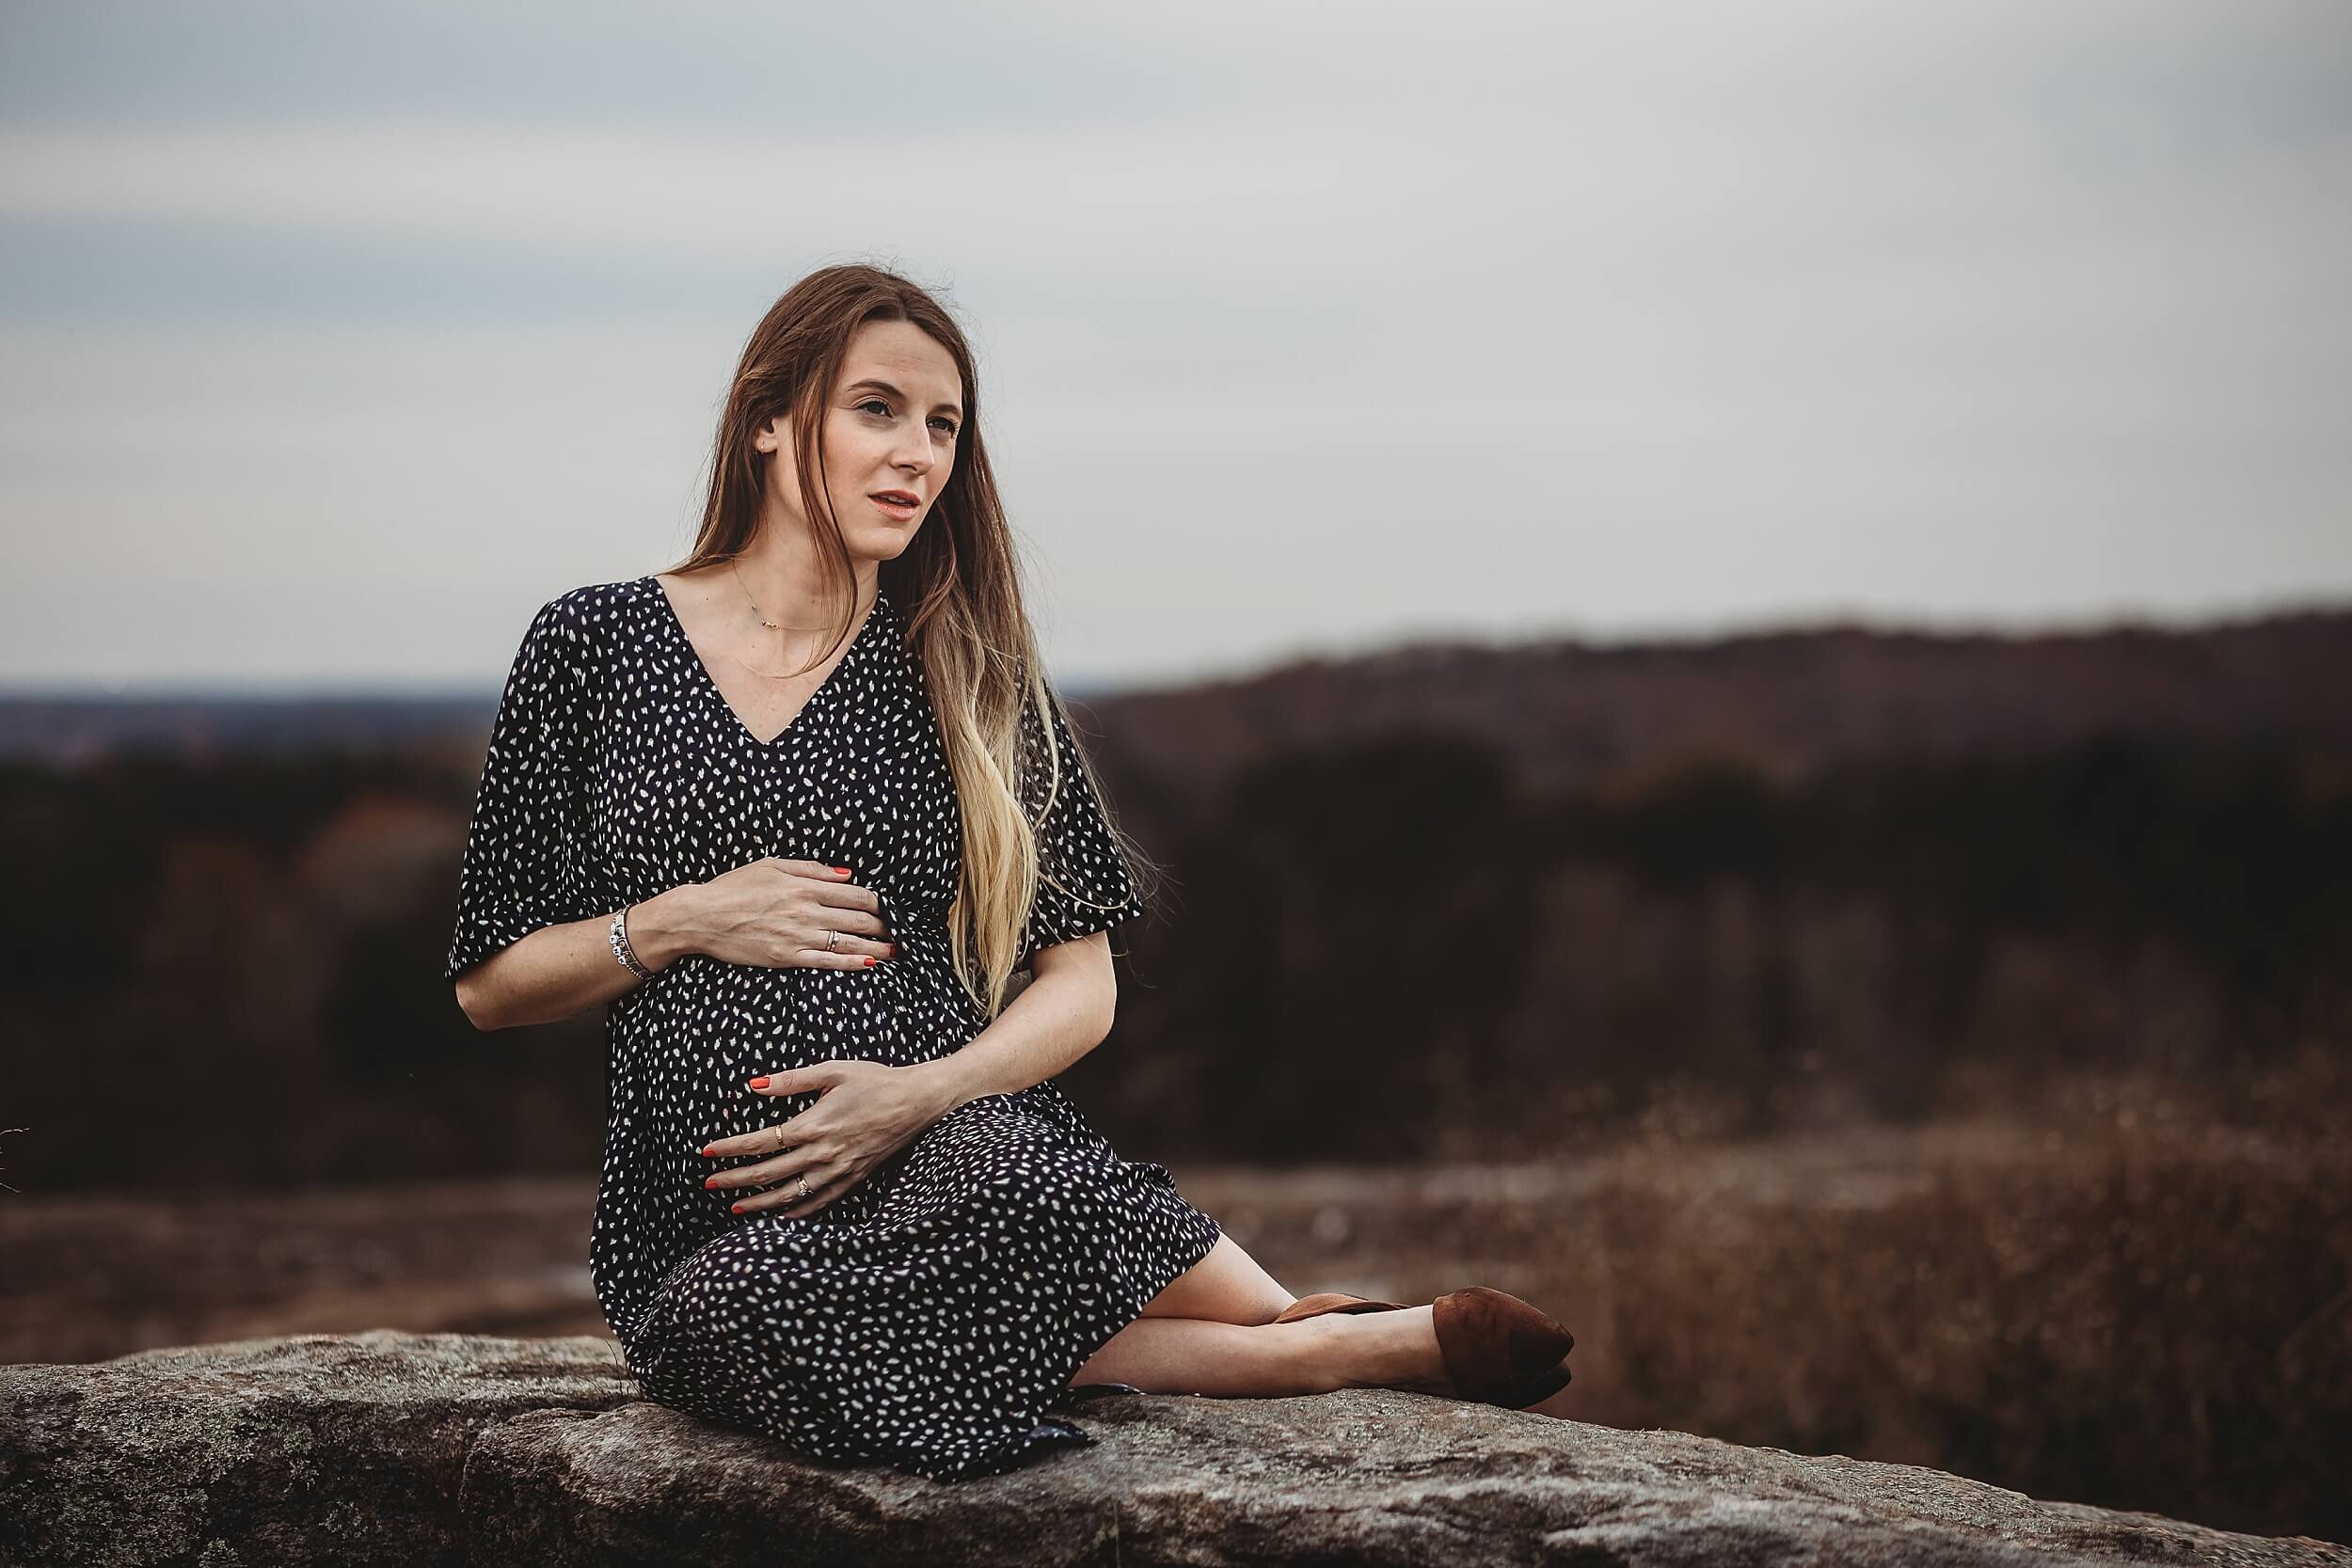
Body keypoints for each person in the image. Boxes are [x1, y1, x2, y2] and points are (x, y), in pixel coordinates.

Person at [444, 263, 1575, 1481]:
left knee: (1018, 1177)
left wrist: (919, 1095)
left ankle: (1320, 1340)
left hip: (946, 1156)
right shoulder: (592, 643)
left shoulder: (970, 676)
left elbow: (1082, 985)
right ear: (770, 417)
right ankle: (1311, 1343)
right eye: (877, 409)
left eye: (943, 426)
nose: (916, 456)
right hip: (709, 1208)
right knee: (731, 1316)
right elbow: (491, 983)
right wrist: (675, 919)